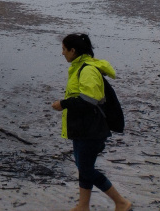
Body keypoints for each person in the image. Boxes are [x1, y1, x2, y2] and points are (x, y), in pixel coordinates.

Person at [50, 33, 132, 211]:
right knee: (83, 166)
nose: (62, 53)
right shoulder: (79, 67)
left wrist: (63, 104)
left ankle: (121, 202)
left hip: (92, 129)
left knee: (86, 169)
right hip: (82, 128)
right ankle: (83, 206)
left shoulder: (87, 70)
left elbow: (89, 101)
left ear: (73, 50)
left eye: (64, 49)